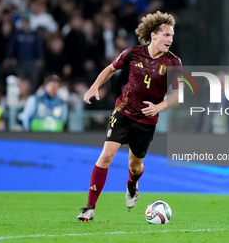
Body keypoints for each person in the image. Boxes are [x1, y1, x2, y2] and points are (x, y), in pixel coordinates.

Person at [77, 11, 182, 222]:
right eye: (166, 35)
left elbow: (179, 95)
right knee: (106, 155)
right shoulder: (133, 53)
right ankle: (89, 207)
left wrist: (158, 107)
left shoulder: (174, 63)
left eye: (172, 36)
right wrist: (94, 87)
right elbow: (110, 69)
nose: (170, 40)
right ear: (153, 35)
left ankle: (132, 184)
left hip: (147, 120)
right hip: (124, 111)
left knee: (135, 166)